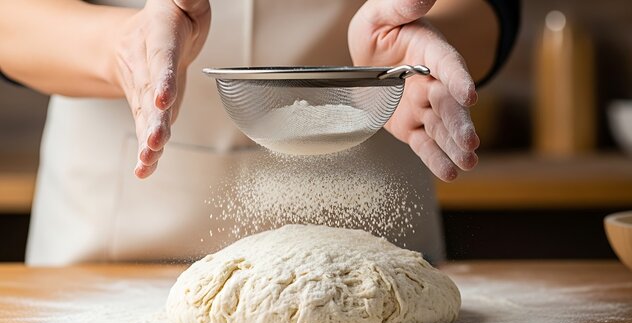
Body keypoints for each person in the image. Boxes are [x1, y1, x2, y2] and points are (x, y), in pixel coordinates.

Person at [0, 0, 519, 265]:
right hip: (113, 231)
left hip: (371, 194)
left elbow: (493, 6)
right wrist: (123, 46)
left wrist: (414, 54)